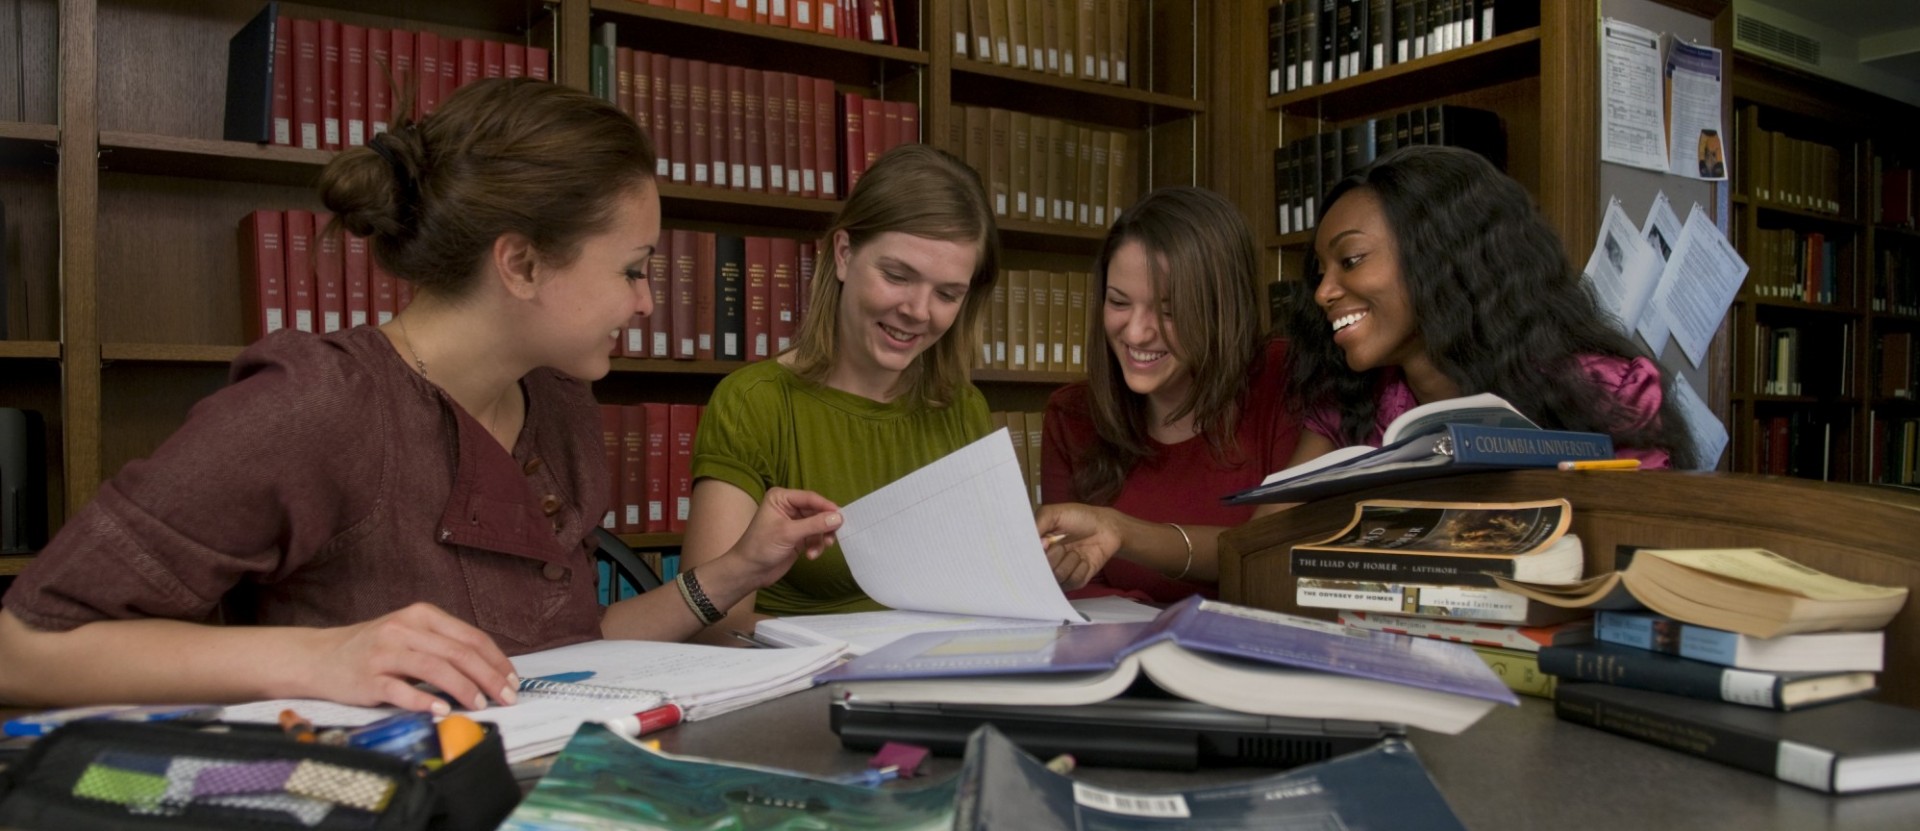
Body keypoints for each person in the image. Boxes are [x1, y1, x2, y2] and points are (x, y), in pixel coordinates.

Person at [0, 79, 842, 713]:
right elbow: (21, 649)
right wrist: (321, 659)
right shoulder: (315, 406)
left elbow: (557, 651)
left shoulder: (555, 403)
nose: (646, 303)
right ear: (519, 264)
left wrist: (731, 574)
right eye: (631, 269)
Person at [681, 144, 1000, 639]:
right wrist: (872, 648)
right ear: (845, 254)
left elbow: (985, 587)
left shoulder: (962, 409)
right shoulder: (756, 402)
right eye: (897, 276)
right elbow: (712, 622)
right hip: (797, 687)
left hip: (934, 677)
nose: (918, 311)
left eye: (947, 294)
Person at [1280, 144, 1696, 470]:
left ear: (1442, 258)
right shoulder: (1353, 400)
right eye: (1320, 272)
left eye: (1350, 260)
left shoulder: (1607, 391)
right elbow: (1267, 540)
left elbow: (1636, 544)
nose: (1323, 292)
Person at [1034, 188, 1301, 601]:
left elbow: (1272, 558)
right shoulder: (1072, 415)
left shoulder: (1284, 381)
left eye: (1170, 312)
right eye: (1119, 302)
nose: (1137, 332)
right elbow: (1079, 593)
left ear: (1221, 308)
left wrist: (1123, 533)